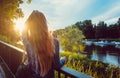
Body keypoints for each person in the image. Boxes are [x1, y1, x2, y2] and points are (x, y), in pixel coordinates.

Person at [16, 10, 67, 78]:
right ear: (45, 25)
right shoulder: (54, 42)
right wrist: (63, 60)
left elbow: (23, 32)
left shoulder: (28, 42)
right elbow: (56, 65)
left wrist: (28, 22)